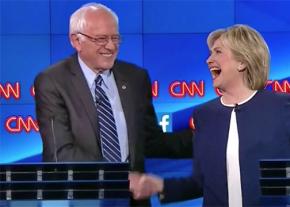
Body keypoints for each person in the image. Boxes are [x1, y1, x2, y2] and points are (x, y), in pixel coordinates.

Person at [34, 2, 193, 206]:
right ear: (76, 40)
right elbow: (61, 154)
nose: (110, 46)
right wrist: (120, 178)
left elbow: (150, 141)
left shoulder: (135, 77)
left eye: (115, 38)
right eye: (101, 39)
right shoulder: (53, 81)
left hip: (133, 202)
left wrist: (206, 139)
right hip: (84, 200)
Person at [129, 24, 290, 206]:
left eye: (218, 52)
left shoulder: (282, 106)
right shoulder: (205, 115)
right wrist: (159, 186)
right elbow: (201, 182)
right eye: (210, 53)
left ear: (242, 62)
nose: (208, 60)